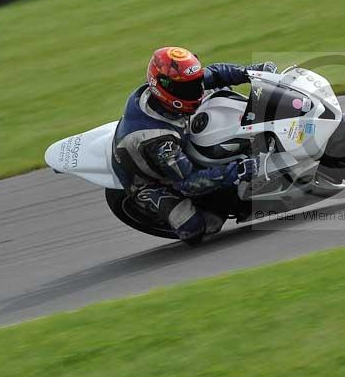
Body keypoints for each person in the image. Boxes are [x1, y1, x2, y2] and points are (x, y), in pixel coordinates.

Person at [111, 46, 276, 242]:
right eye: (188, 87)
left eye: (196, 82)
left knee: (220, 97)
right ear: (164, 88)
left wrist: (252, 72)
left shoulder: (178, 85)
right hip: (151, 180)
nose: (197, 89)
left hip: (180, 132)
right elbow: (189, 183)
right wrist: (238, 171)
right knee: (196, 229)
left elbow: (213, 74)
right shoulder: (158, 140)